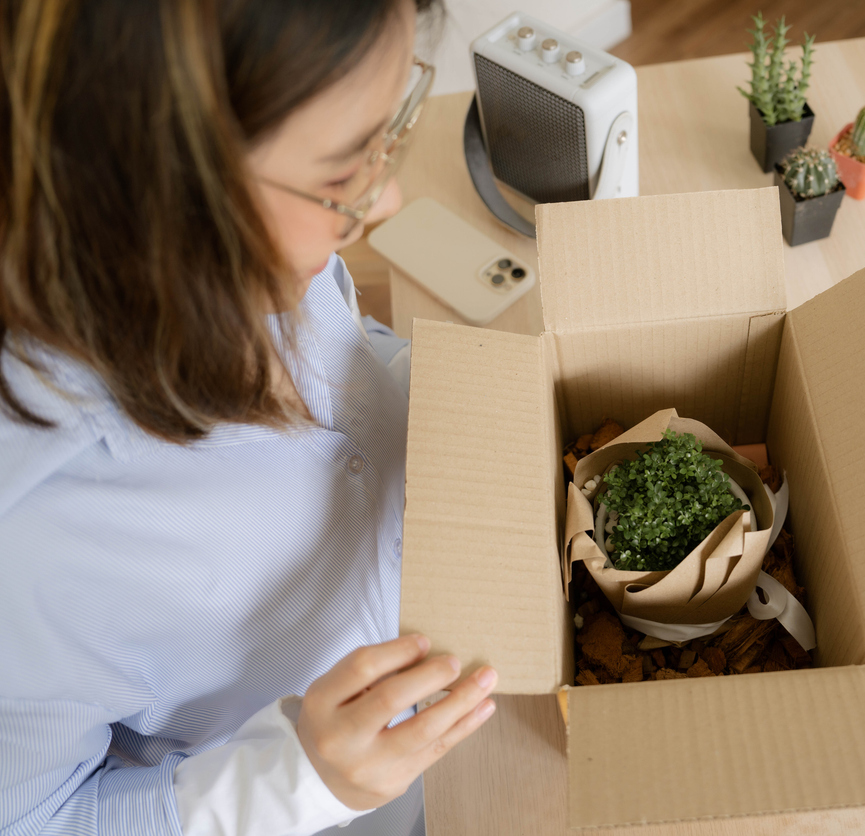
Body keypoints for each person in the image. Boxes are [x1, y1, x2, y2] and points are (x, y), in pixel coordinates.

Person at [0, 1, 497, 834]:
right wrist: (296, 780)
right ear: (165, 198)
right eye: (342, 175)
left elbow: (343, 366)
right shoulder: (37, 539)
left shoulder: (255, 257)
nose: (387, 201)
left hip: (450, 692)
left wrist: (427, 394)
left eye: (391, 130)